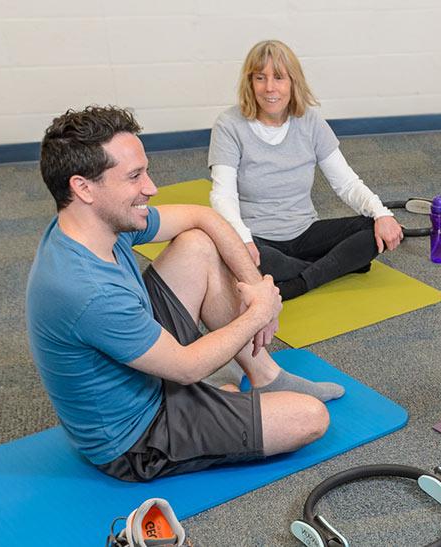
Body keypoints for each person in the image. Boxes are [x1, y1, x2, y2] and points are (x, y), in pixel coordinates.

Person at [27, 105, 344, 483]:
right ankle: (214, 396)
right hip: (138, 437)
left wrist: (255, 286)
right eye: (134, 176)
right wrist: (258, 313)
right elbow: (186, 366)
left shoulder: (92, 221)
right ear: (83, 187)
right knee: (309, 418)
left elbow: (203, 217)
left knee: (196, 245)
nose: (151, 187)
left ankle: (265, 377)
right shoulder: (86, 290)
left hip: (146, 365)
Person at [208, 39, 403, 300]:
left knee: (371, 232)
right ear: (250, 83)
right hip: (258, 239)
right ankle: (332, 268)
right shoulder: (229, 125)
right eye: (260, 78)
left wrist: (382, 214)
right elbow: (223, 195)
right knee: (237, 256)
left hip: (304, 232)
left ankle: (297, 283)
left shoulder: (310, 122)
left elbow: (345, 183)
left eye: (279, 77)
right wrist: (243, 239)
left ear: (293, 82)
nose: (269, 88)